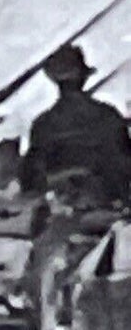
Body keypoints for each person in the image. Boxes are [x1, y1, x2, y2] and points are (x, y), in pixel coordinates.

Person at [19, 43, 131, 208]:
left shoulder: (44, 124)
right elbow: (124, 165)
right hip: (107, 207)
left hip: (63, 210)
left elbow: (31, 179)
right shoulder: (108, 115)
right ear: (84, 78)